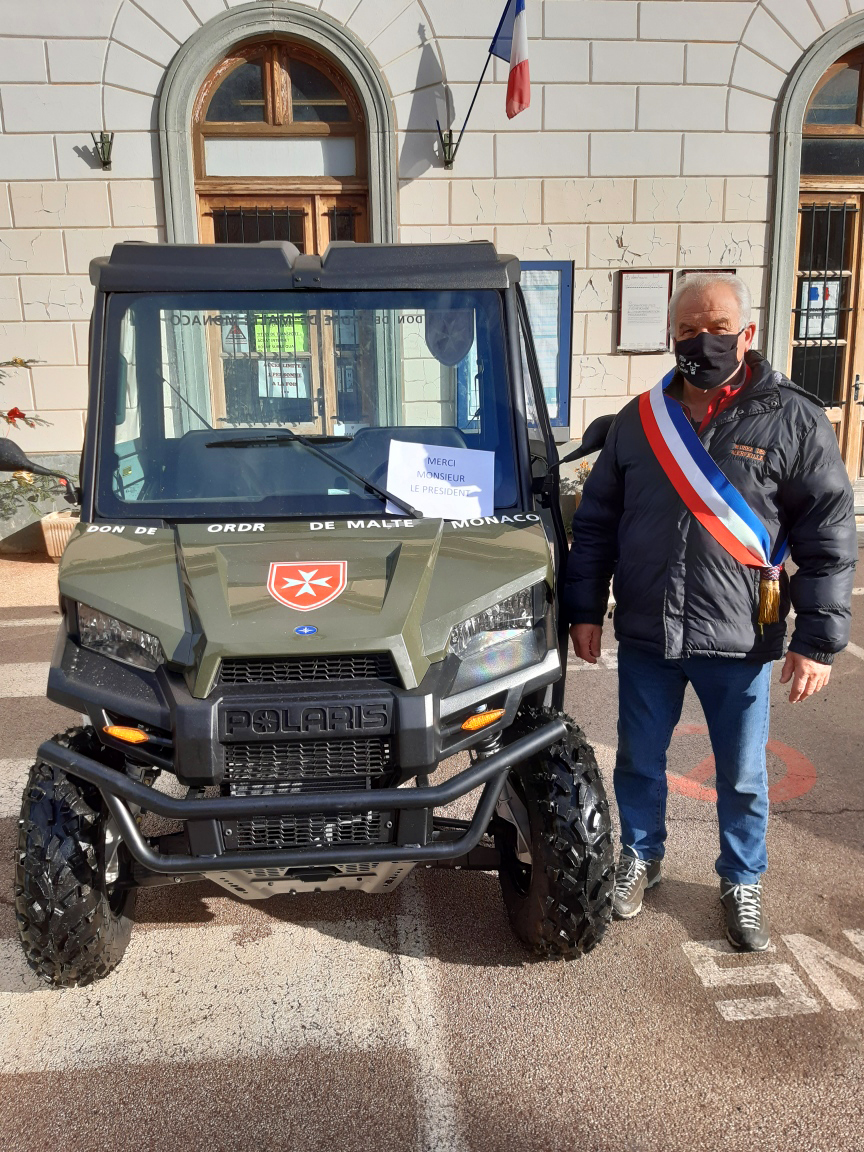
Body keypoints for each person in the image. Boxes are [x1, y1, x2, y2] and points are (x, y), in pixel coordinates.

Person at [564, 272, 857, 951]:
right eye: (688, 330)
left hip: (741, 634)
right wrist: (584, 607)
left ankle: (741, 878)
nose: (703, 340)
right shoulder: (641, 421)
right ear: (671, 338)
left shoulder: (793, 416)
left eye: (717, 327)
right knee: (638, 760)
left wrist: (817, 640)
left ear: (746, 333)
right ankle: (642, 858)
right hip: (646, 630)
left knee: (745, 776)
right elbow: (599, 521)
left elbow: (828, 533)